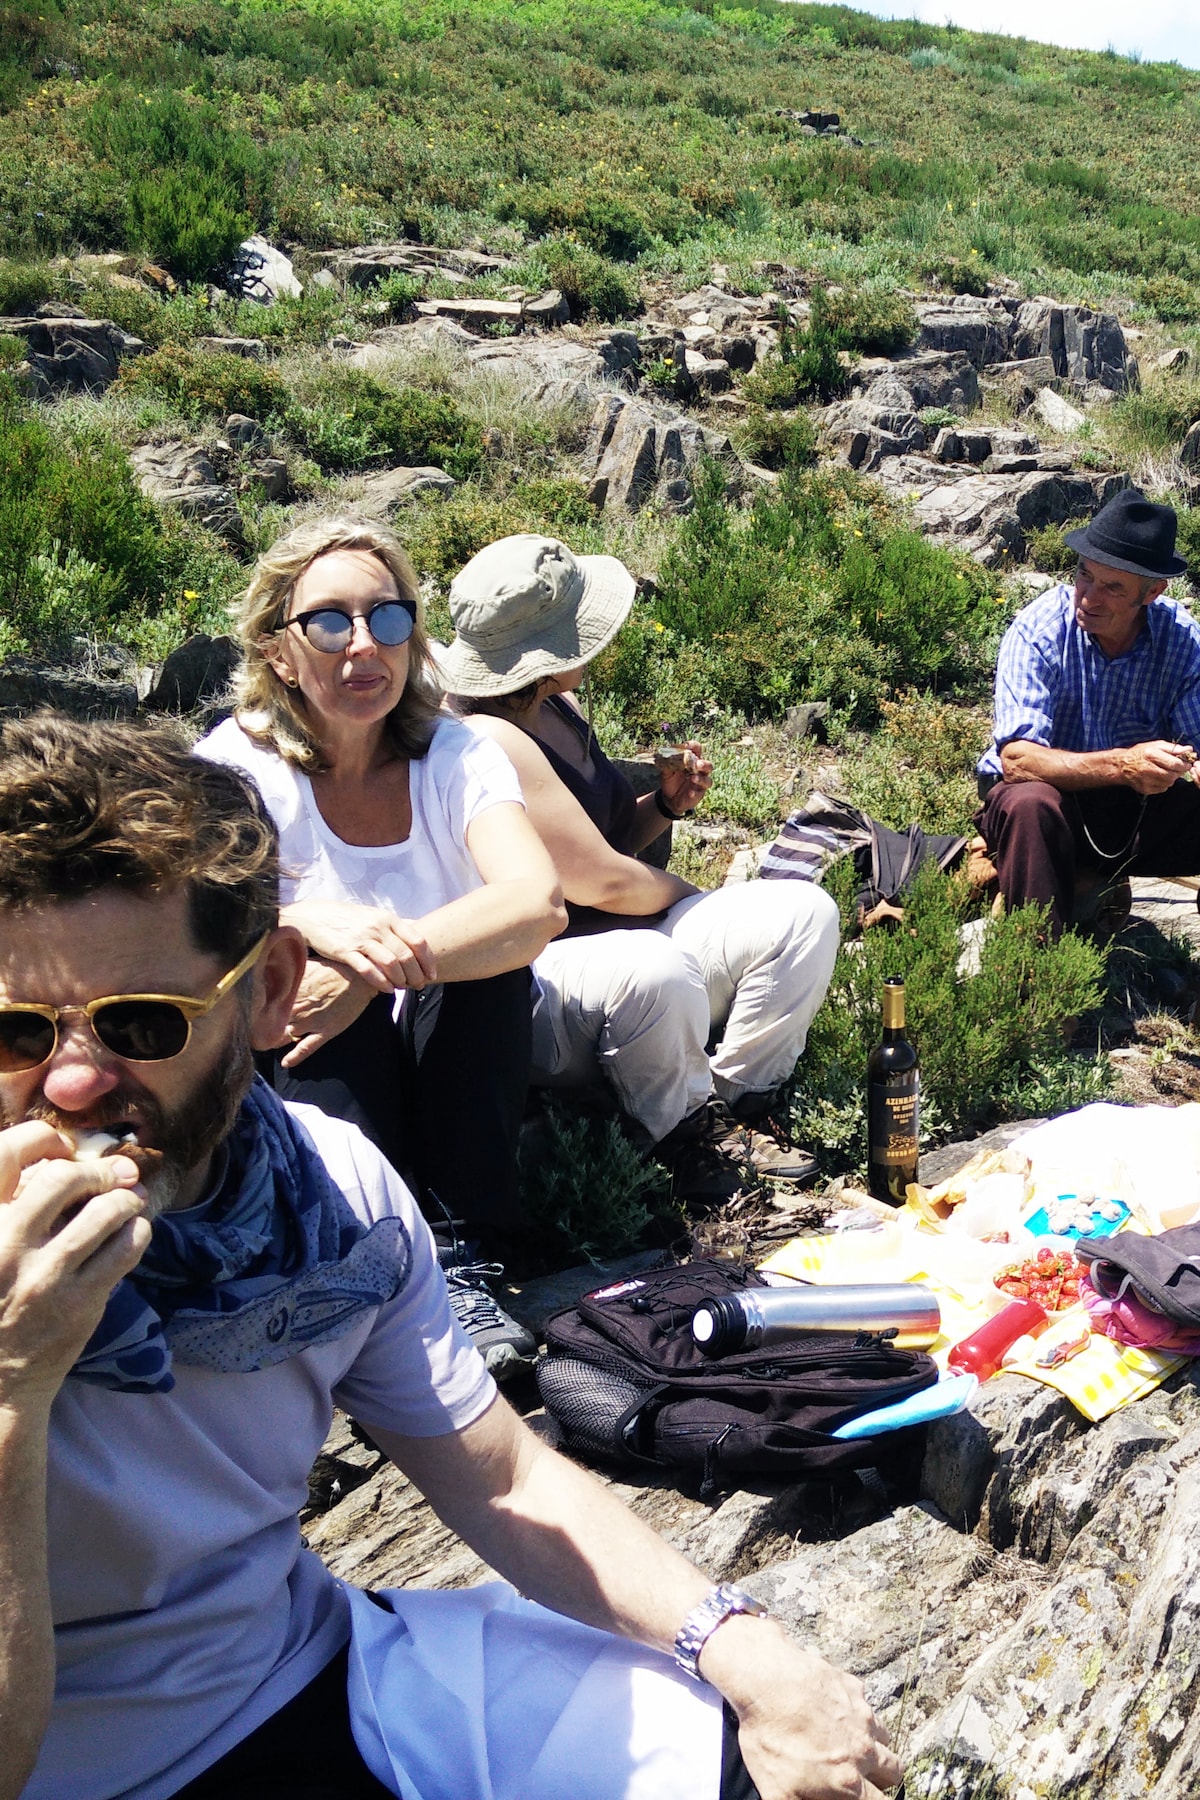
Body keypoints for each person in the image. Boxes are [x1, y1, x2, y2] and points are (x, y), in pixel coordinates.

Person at [0, 713, 902, 1800]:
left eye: (141, 1024)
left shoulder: (330, 1193)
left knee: (755, 1758)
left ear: (271, 992)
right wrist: (12, 1383)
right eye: (16, 1034)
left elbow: (499, 1474)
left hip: (301, 1670)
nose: (72, 1086)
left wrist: (754, 1654)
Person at [196, 515, 566, 1374]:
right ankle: (367, 1257)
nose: (365, 644)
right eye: (330, 621)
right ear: (280, 651)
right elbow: (180, 926)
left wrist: (376, 968)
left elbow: (536, 901)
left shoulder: (455, 753)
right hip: (318, 1062)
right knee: (307, 976)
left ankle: (457, 1256)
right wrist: (308, 926)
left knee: (485, 964)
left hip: (448, 1049)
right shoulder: (237, 769)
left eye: (388, 618)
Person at [440, 535, 841, 1185]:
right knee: (660, 962)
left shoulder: (555, 708)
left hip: (619, 944)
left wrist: (665, 804)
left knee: (804, 913)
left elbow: (604, 842)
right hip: (548, 970)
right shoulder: (489, 736)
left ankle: (728, 1104)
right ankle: (682, 1132)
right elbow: (601, 881)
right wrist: (689, 893)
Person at [976, 488, 1200, 938]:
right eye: (1084, 575)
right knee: (1030, 803)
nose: (1089, 597)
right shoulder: (1040, 629)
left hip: (1134, 809)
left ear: (1153, 591)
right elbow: (1018, 760)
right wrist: (1124, 764)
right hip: (1048, 804)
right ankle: (1039, 979)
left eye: (1113, 587)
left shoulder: (1182, 640)